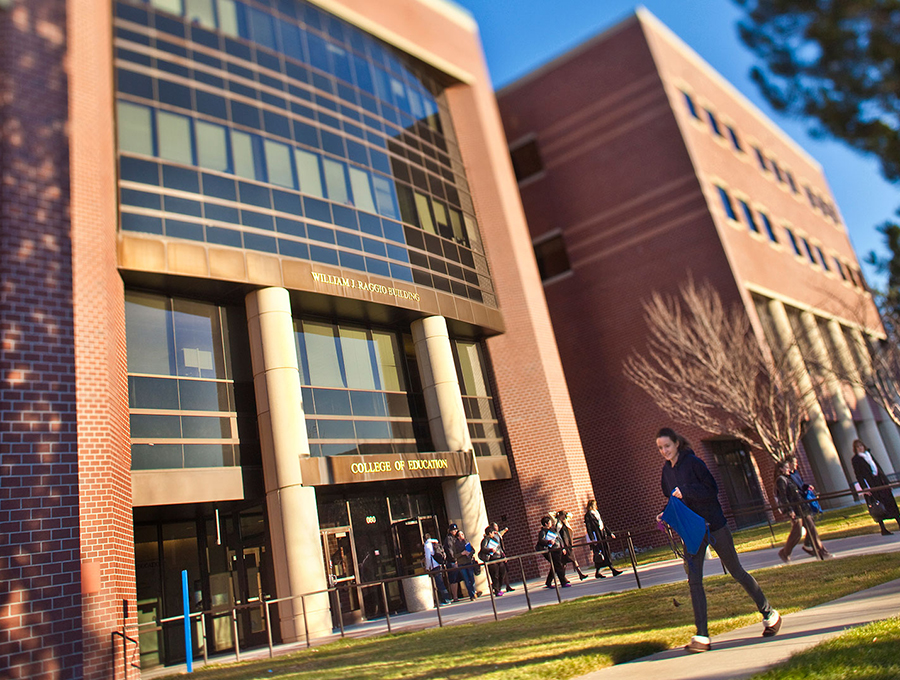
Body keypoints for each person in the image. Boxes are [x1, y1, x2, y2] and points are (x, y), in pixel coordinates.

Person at [656, 427, 780, 653]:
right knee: (694, 581)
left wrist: (686, 491)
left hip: (715, 525)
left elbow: (711, 490)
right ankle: (702, 635)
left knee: (737, 571)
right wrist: (666, 514)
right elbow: (673, 500)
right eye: (660, 448)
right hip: (693, 532)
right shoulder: (666, 472)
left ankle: (769, 613)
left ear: (676, 444)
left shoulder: (694, 463)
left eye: (667, 446)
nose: (664, 451)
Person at [774, 459, 829, 562]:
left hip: (802, 506)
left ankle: (822, 552)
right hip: (795, 509)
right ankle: (785, 553)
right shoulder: (780, 480)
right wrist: (789, 510)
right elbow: (783, 496)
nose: (788, 469)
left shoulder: (790, 477)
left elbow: (799, 488)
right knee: (797, 533)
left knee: (812, 529)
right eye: (786, 468)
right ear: (781, 469)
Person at [851, 439, 900, 536]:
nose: (860, 448)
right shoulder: (856, 459)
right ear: (855, 449)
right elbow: (858, 474)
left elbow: (878, 468)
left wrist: (886, 482)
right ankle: (883, 529)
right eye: (858, 447)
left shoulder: (868, 455)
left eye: (861, 445)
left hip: (880, 481)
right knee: (878, 506)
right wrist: (864, 487)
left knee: (891, 503)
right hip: (871, 484)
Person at [787, 456, 818, 555]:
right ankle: (786, 552)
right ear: (789, 464)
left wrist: (807, 486)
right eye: (794, 463)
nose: (796, 464)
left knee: (810, 525)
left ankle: (809, 545)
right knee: (805, 527)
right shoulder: (788, 477)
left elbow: (801, 485)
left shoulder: (796, 473)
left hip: (803, 501)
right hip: (797, 504)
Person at [584, 500, 623, 578]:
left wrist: (610, 533)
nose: (595, 506)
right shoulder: (588, 515)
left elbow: (603, 523)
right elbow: (588, 527)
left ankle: (598, 572)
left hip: (602, 533)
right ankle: (612, 570)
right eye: (594, 504)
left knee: (604, 552)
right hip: (597, 535)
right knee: (601, 553)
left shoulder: (597, 513)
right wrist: (592, 538)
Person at [535, 515, 569, 588]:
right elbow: (541, 540)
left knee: (554, 566)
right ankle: (563, 582)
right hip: (551, 551)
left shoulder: (553, 530)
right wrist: (549, 542)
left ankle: (548, 582)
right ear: (546, 524)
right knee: (558, 565)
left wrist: (562, 548)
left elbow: (559, 538)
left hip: (558, 549)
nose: (551, 524)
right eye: (550, 522)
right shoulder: (542, 532)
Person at [554, 510, 588, 580]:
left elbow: (570, 515)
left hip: (569, 544)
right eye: (563, 517)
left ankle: (578, 574)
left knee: (568, 561)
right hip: (564, 545)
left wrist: (565, 516)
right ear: (560, 516)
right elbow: (559, 537)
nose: (564, 518)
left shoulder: (565, 522)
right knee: (567, 562)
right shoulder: (558, 525)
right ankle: (564, 577)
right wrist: (562, 547)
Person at [478, 525, 508, 596]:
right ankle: (497, 590)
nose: (494, 534)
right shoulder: (485, 540)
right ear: (489, 533)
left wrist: (503, 556)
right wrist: (490, 550)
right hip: (492, 559)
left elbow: (499, 548)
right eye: (492, 532)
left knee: (502, 573)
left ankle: (499, 587)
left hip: (499, 558)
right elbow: (483, 548)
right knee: (495, 575)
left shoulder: (495, 539)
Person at [423, 533, 451, 605]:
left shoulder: (427, 545)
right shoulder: (435, 543)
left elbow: (428, 557)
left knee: (439, 584)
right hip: (439, 564)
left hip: (434, 566)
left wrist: (427, 567)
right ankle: (446, 598)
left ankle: (446, 599)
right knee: (441, 582)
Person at [490, 522, 515, 592]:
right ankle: (495, 587)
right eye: (495, 526)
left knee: (505, 570)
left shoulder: (498, 534)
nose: (497, 527)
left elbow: (502, 534)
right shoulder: (493, 536)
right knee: (498, 572)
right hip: (496, 555)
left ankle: (507, 585)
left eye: (497, 526)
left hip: (501, 553)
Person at [454, 529, 479, 600]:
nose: (462, 536)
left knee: (472, 578)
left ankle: (474, 592)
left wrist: (469, 553)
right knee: (466, 580)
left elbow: (473, 550)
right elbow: (454, 555)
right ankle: (471, 595)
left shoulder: (467, 542)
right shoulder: (455, 544)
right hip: (461, 563)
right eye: (461, 535)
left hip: (469, 562)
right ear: (458, 537)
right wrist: (462, 553)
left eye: (463, 534)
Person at [443, 524, 462, 602]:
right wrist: (455, 559)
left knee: (464, 576)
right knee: (454, 580)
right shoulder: (449, 539)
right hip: (452, 562)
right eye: (453, 530)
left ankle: (472, 592)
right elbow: (450, 552)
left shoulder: (457, 538)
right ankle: (455, 596)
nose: (455, 531)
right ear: (450, 531)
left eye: (456, 530)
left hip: (460, 560)